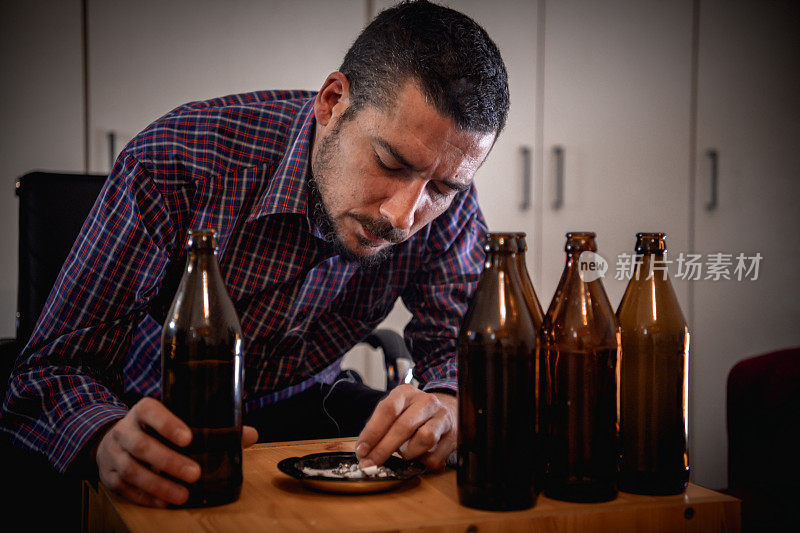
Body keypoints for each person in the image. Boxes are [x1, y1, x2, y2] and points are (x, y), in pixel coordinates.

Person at [0, 0, 509, 508]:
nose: (404, 216)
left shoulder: (450, 203)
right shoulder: (177, 161)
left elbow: (458, 341)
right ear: (333, 103)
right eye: (390, 162)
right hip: (159, 418)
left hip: (311, 404)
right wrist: (104, 437)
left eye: (441, 187)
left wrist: (448, 401)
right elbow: (50, 371)